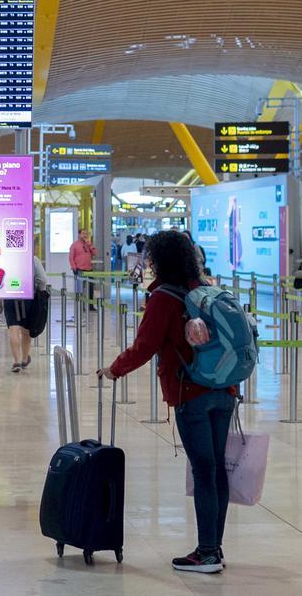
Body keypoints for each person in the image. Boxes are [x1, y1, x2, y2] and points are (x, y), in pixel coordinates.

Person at [96, 230, 236, 574]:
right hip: (224, 389)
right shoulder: (202, 289)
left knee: (204, 470)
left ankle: (207, 553)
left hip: (192, 391)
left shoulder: (164, 298)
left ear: (160, 260)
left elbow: (145, 346)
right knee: (215, 468)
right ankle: (213, 547)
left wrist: (114, 370)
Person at [6, 254, 48, 373]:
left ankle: (16, 361)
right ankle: (24, 359)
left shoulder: (6, 257)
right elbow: (43, 279)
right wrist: (38, 289)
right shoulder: (33, 259)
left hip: (10, 296)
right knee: (26, 331)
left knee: (14, 329)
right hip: (28, 297)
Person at [69, 228, 98, 309]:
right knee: (80, 290)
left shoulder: (88, 244)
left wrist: (90, 245)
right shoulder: (75, 245)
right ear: (79, 234)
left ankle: (90, 306)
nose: (85, 235)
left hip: (89, 270)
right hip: (80, 270)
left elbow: (95, 253)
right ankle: (81, 306)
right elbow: (71, 257)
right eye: (83, 233)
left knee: (90, 289)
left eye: (86, 233)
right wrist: (74, 268)